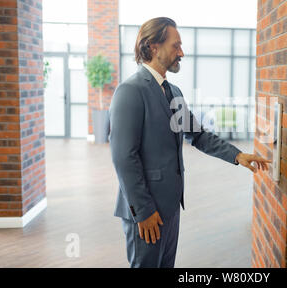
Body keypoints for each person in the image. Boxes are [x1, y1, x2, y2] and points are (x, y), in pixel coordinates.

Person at [109, 17, 271, 268]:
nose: (181, 52)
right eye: (176, 46)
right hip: (146, 210)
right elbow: (124, 157)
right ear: (153, 46)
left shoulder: (174, 92)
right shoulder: (130, 91)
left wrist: (238, 156)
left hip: (171, 206)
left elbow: (198, 135)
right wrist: (143, 211)